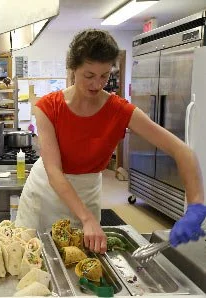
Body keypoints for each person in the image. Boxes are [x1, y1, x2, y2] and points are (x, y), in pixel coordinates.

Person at [15, 29, 206, 254]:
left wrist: (196, 207)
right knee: (30, 257)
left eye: (104, 75)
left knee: (81, 262)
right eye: (89, 75)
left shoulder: (119, 110)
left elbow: (182, 151)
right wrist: (86, 218)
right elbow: (54, 171)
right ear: (73, 69)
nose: (97, 84)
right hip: (46, 193)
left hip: (87, 194)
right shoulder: (48, 107)